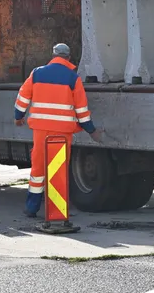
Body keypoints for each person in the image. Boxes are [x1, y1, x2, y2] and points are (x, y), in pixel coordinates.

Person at [14, 43, 103, 217]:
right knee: (58, 169)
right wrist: (91, 131)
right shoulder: (72, 78)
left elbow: (22, 97)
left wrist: (19, 117)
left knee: (38, 169)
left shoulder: (37, 73)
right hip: (62, 133)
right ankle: (56, 210)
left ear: (53, 55)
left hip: (40, 131)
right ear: (68, 58)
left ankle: (31, 207)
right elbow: (82, 111)